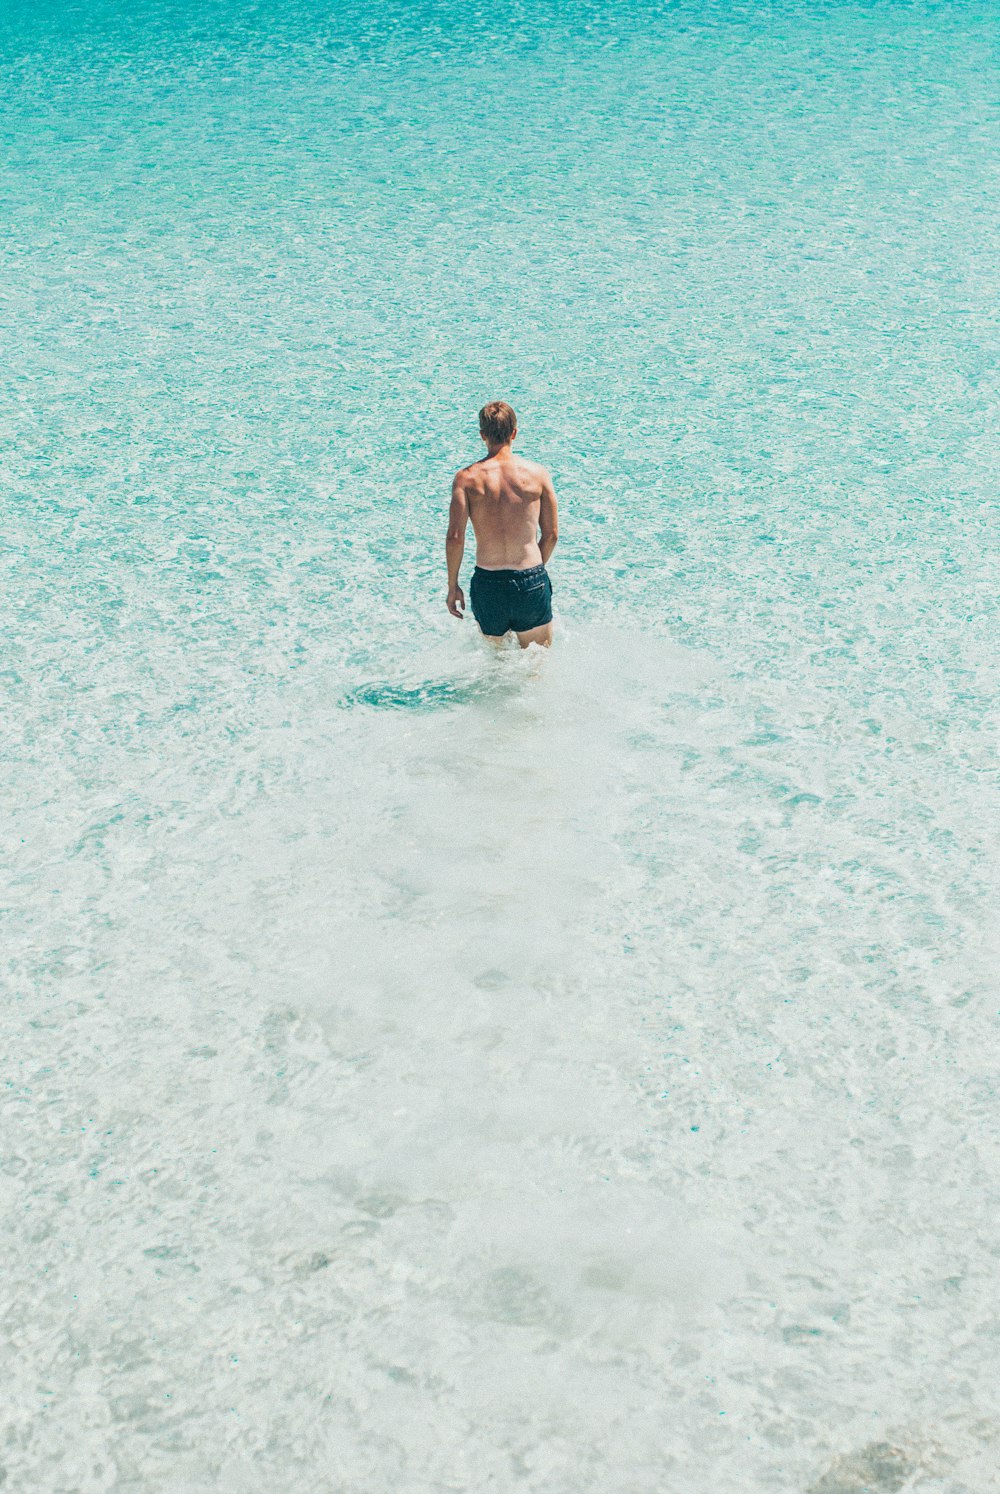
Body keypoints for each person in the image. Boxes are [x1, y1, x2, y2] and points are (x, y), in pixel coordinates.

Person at [445, 401, 559, 647]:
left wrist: (453, 585)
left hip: (489, 584)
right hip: (531, 579)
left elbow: (455, 537)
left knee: (497, 665)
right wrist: (533, 573)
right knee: (536, 666)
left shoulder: (466, 479)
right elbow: (551, 535)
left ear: (482, 435)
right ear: (514, 433)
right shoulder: (538, 474)